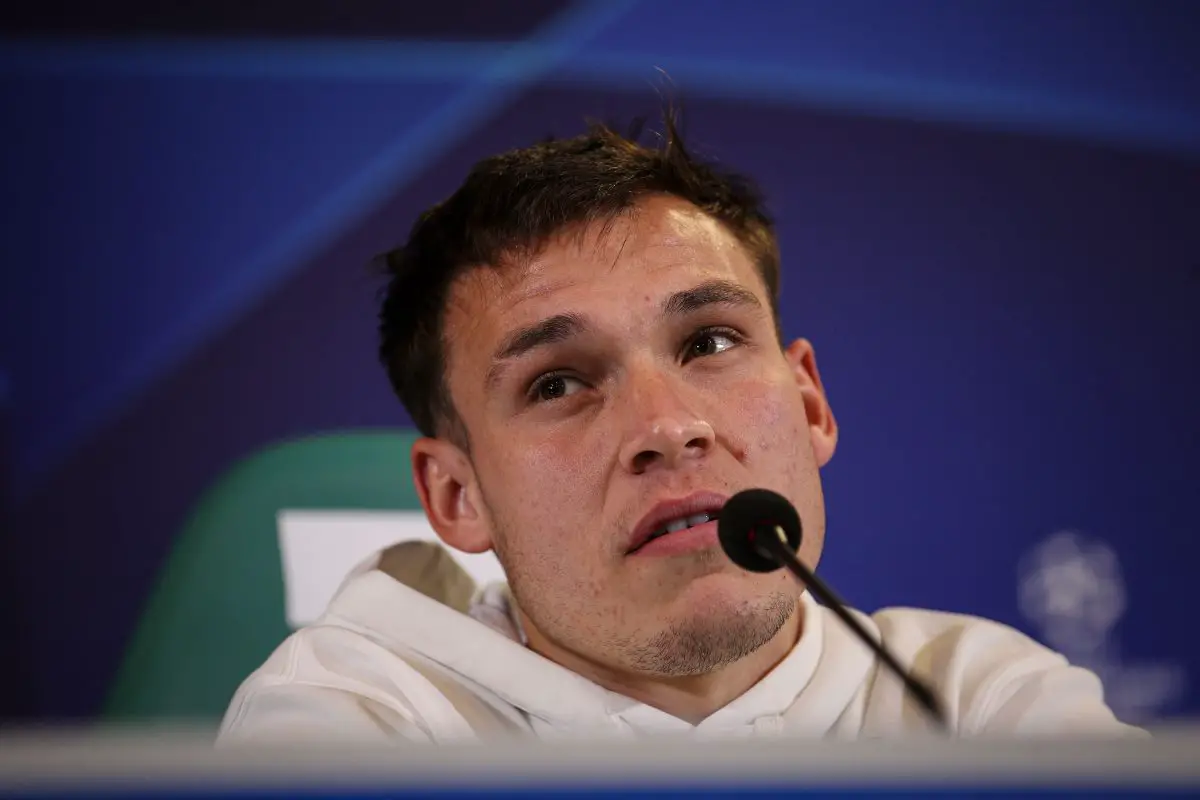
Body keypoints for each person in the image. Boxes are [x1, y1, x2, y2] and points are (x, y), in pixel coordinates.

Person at [218, 110, 1141, 743]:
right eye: (557, 385)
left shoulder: (976, 701)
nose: (667, 426)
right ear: (458, 496)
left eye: (708, 340)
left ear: (811, 404)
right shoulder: (355, 722)